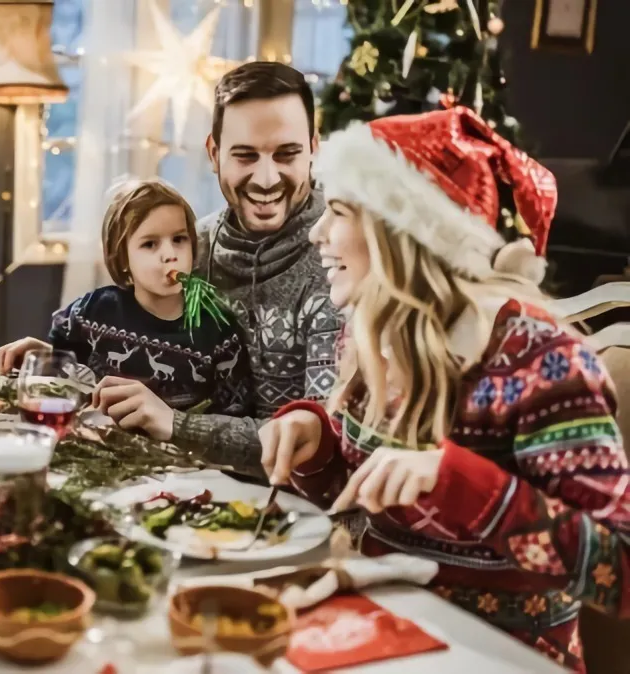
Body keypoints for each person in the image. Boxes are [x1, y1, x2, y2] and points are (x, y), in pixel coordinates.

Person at [260, 106, 630, 670]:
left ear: (400, 233)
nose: (316, 233)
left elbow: (620, 574)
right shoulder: (373, 331)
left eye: (336, 211)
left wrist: (464, 483)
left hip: (501, 655)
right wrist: (317, 439)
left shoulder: (541, 361)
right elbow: (366, 493)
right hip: (382, 632)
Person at [89, 62, 342, 475]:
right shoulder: (191, 248)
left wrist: (177, 425)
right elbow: (130, 349)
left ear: (313, 149)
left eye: (287, 154)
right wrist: (61, 363)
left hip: (304, 516)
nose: (265, 178)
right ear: (213, 153)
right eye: (245, 155)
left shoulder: (342, 261)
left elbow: (322, 443)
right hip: (185, 491)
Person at [0, 178, 250, 415]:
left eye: (179, 239)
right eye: (150, 244)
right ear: (123, 259)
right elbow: (72, 381)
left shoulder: (218, 330)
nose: (170, 254)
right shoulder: (91, 312)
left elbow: (234, 415)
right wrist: (44, 357)